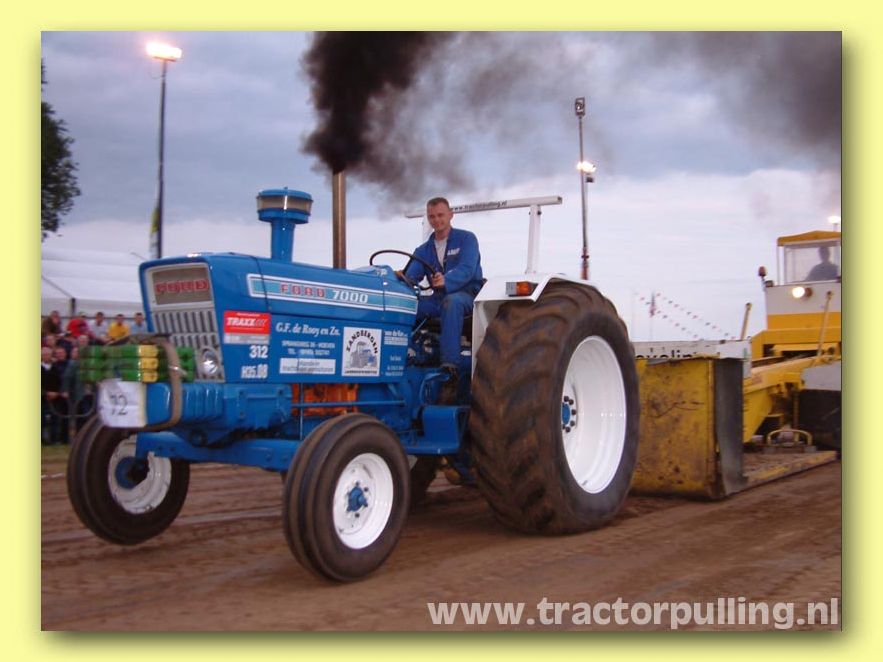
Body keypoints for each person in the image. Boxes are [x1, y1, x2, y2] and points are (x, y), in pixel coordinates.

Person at [400, 197, 483, 404]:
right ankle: (402, 357)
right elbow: (412, 276)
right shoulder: (423, 250)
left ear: (450, 215)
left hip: (467, 295)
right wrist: (401, 278)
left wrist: (447, 280)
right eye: (432, 217)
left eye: (440, 215)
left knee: (451, 303)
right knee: (408, 307)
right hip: (438, 298)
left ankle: (450, 370)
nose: (436, 220)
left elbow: (467, 269)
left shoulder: (466, 239)